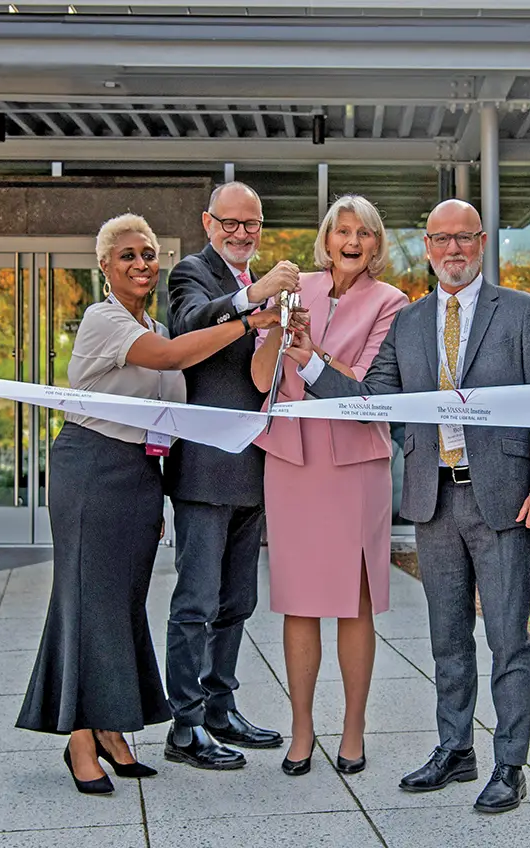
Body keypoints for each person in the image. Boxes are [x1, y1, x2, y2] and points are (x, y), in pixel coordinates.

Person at [282, 199, 530, 814]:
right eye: (440, 240)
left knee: (507, 638)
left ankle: (510, 765)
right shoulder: (409, 324)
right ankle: (455, 749)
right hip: (433, 497)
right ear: (429, 248)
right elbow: (371, 400)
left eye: (464, 239)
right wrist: (308, 360)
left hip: (502, 500)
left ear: (483, 242)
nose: (452, 251)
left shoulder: (521, 313)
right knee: (446, 637)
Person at [16, 212, 286, 795]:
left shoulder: (154, 322)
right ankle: (80, 740)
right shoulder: (104, 319)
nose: (141, 264)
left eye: (148, 255)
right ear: (105, 266)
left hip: (139, 473)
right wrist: (246, 321)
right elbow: (170, 360)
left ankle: (114, 732)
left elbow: (176, 392)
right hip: (91, 467)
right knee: (87, 602)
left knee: (122, 604)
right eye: (128, 256)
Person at [250, 195, 409, 777]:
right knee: (298, 601)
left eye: (364, 232)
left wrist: (310, 354)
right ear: (326, 236)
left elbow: (368, 388)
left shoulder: (392, 303)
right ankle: (300, 729)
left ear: (376, 243)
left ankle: (353, 729)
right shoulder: (297, 287)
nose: (352, 240)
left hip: (354, 465)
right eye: (342, 230)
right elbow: (259, 377)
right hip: (291, 461)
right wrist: (273, 328)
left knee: (354, 602)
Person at [163, 181, 301, 770]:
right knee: (195, 600)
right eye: (231, 223)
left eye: (252, 225)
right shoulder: (191, 273)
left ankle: (220, 709)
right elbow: (191, 324)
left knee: (236, 599)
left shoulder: (253, 284)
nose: (242, 233)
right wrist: (257, 299)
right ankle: (185, 726)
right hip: (204, 468)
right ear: (208, 221)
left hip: (254, 464)